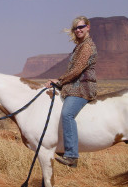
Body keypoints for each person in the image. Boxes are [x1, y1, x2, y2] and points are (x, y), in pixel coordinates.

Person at [45, 16, 97, 168]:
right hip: (74, 85)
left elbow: (77, 70)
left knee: (67, 114)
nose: (78, 30)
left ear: (88, 27)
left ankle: (72, 155)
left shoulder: (87, 46)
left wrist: (59, 81)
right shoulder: (80, 46)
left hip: (83, 87)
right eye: (76, 28)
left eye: (81, 27)